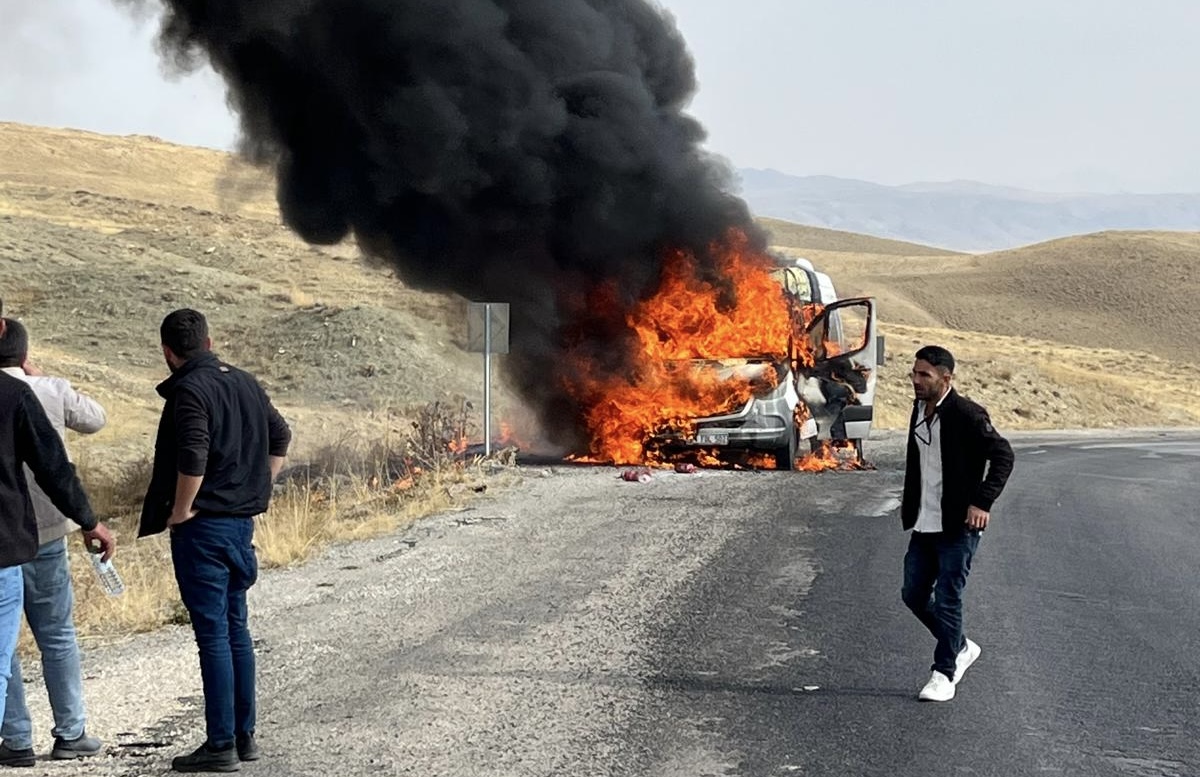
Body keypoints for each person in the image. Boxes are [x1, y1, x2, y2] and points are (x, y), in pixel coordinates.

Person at [138, 309, 291, 773]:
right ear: (208, 342)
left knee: (213, 636)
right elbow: (281, 435)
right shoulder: (245, 381)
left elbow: (193, 456)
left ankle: (220, 743)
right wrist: (259, 485)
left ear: (168, 353)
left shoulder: (189, 390)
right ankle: (244, 736)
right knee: (235, 627)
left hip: (204, 529)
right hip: (240, 524)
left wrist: (182, 509)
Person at [0, 302, 116, 761]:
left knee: (5, 645)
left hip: (6, 536)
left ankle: (16, 737)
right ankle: (71, 730)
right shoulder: (41, 390)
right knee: (57, 635)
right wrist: (89, 520)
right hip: (47, 531)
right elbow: (93, 422)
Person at [900, 345, 1014, 702]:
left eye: (925, 375)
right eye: (914, 373)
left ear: (946, 378)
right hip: (924, 521)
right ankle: (961, 646)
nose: (916, 380)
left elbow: (1003, 455)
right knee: (913, 594)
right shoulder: (919, 409)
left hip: (958, 526)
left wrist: (982, 501)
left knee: (949, 597)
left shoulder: (967, 414)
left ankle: (944, 673)